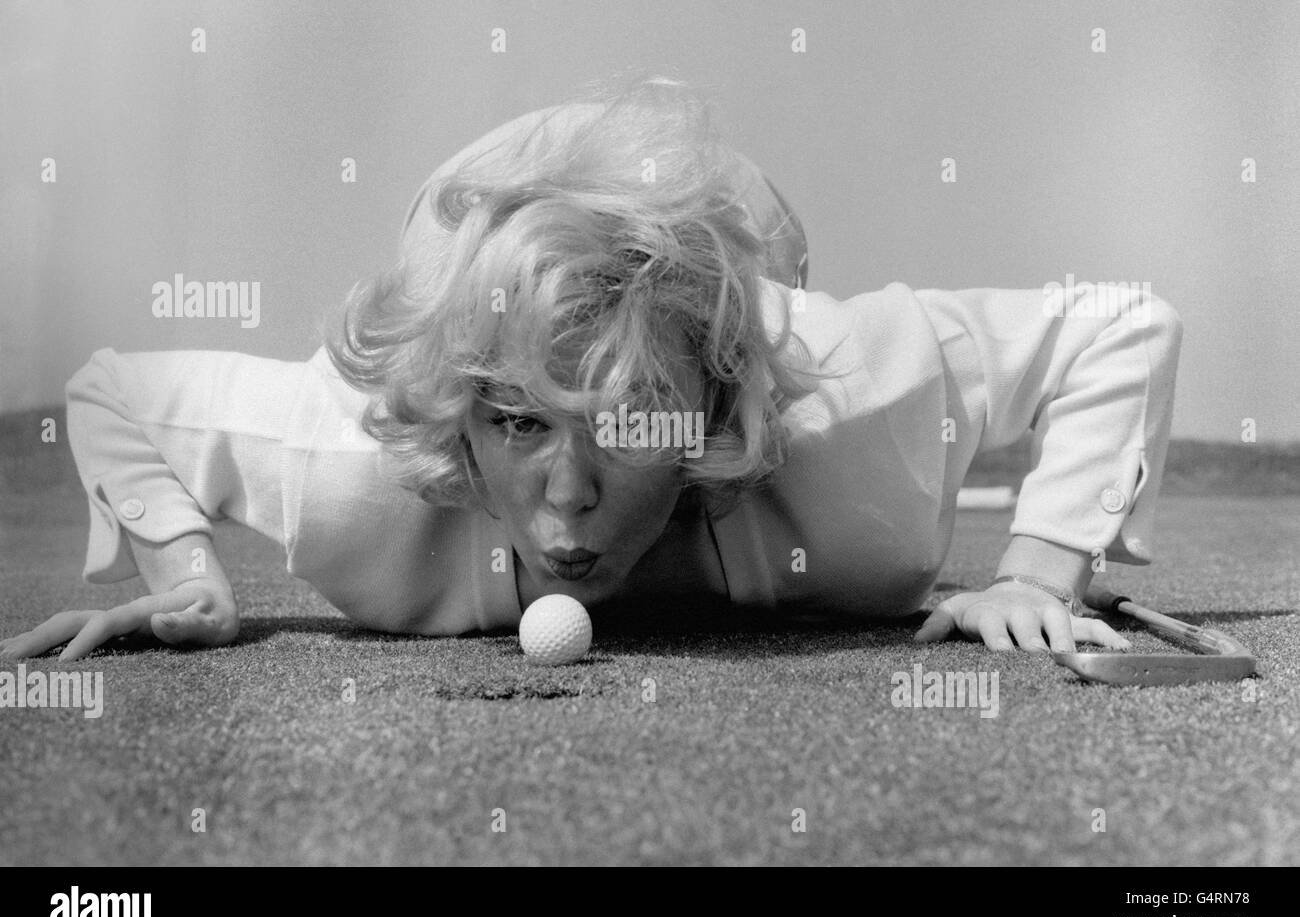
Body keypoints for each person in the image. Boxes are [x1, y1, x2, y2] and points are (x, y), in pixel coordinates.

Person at [1, 76, 1181, 663]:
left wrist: (1038, 570)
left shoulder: (853, 390)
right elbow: (112, 389)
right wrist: (189, 571)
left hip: (731, 231)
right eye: (517, 422)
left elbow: (1123, 323)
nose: (565, 499)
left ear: (718, 407)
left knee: (742, 250)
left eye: (626, 424)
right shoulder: (348, 464)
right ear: (459, 419)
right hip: (473, 218)